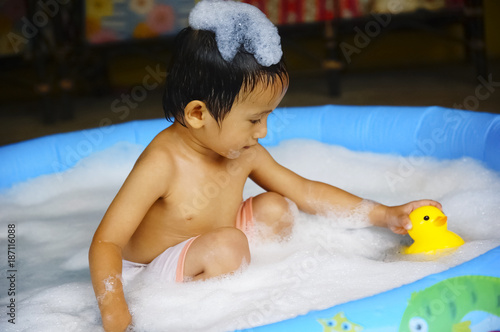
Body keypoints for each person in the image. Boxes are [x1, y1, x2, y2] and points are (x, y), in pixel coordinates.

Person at [89, 2, 441, 332]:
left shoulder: (242, 150)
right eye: (254, 119)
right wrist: (115, 308)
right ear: (198, 114)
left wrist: (385, 214)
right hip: (152, 271)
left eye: (267, 116)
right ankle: (209, 306)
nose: (263, 132)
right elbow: (106, 242)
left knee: (277, 207)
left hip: (217, 244)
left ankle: (252, 277)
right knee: (227, 245)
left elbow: (305, 191)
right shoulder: (162, 163)